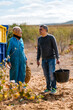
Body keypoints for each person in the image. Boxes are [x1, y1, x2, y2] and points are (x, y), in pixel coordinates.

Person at [37, 25, 60, 94]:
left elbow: (55, 48)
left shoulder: (51, 37)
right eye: (39, 29)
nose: (40, 31)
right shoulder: (39, 39)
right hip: (44, 59)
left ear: (45, 30)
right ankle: (48, 88)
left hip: (51, 59)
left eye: (41, 29)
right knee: (46, 74)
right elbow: (39, 50)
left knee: (51, 73)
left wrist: (57, 58)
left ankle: (54, 88)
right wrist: (38, 59)